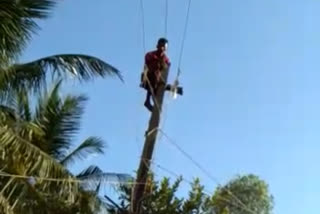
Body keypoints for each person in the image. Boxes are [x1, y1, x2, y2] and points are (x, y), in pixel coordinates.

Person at [140, 38, 170, 112]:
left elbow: (166, 68)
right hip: (147, 77)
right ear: (157, 46)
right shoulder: (150, 54)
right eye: (161, 46)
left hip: (158, 80)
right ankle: (149, 100)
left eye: (164, 47)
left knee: (159, 81)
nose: (162, 48)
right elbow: (147, 64)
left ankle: (154, 100)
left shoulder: (166, 59)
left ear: (166, 49)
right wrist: (157, 62)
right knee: (154, 76)